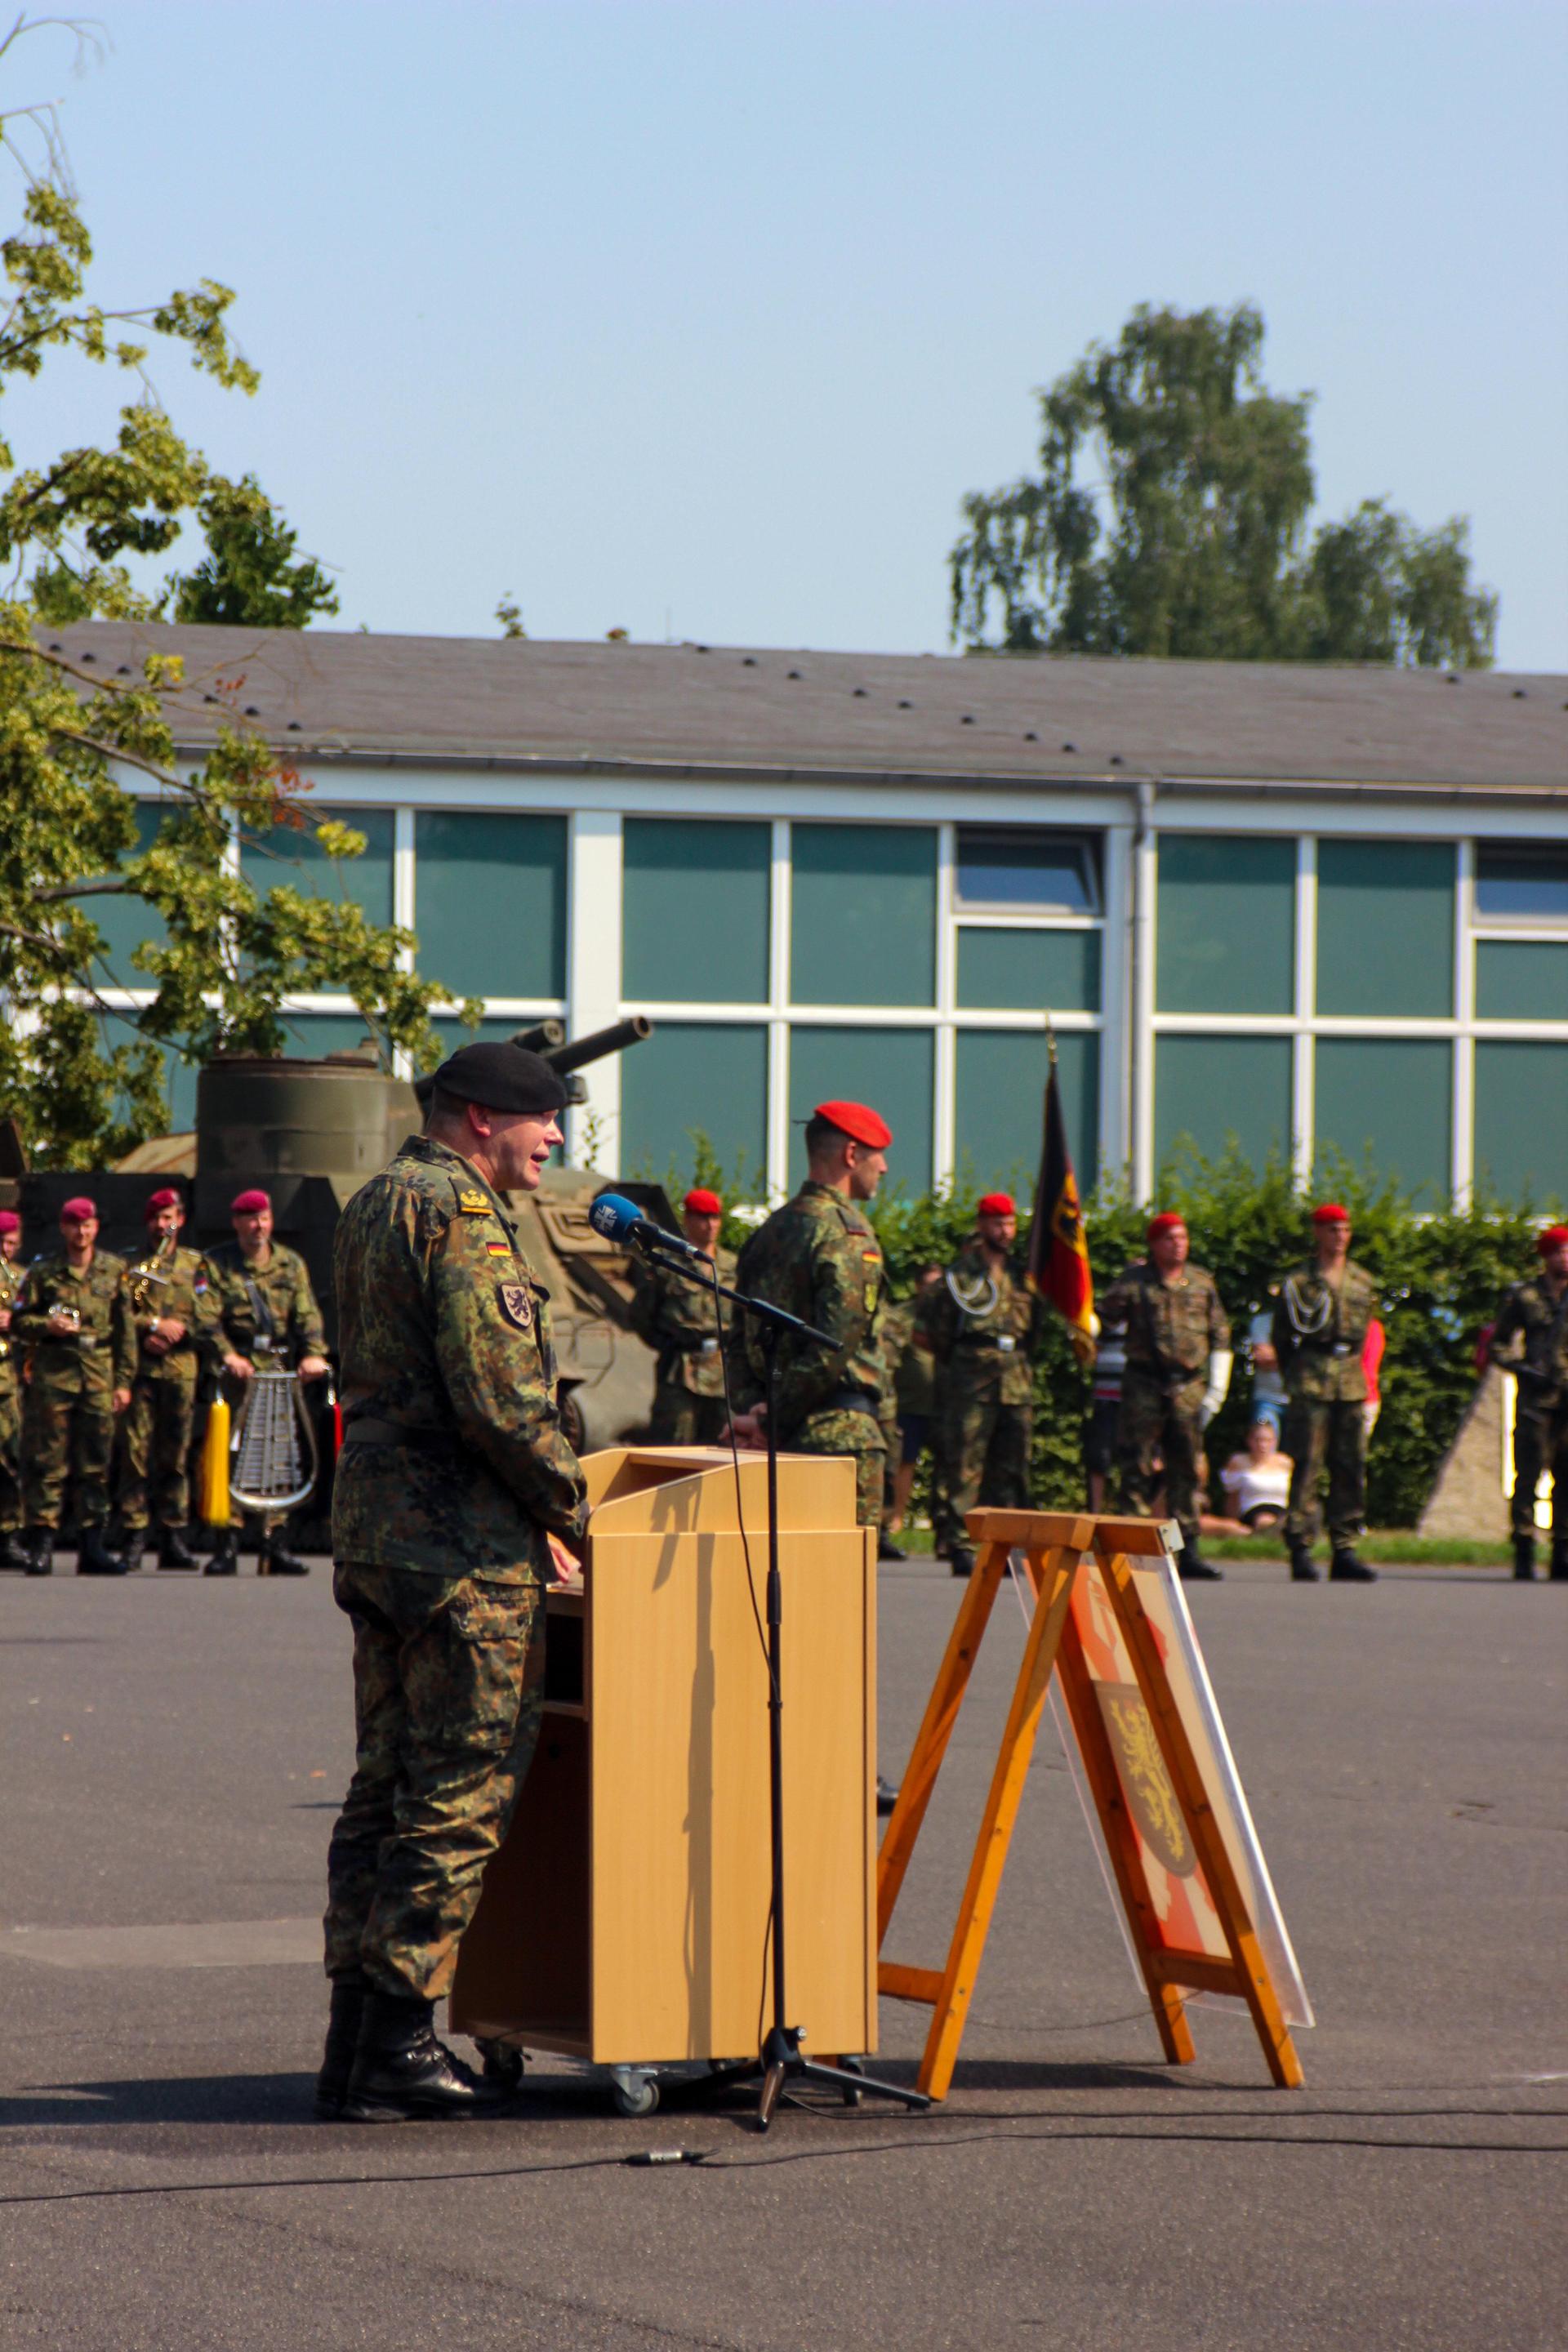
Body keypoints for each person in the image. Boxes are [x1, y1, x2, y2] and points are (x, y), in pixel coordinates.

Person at [320, 1038, 587, 2123]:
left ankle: (353, 2044)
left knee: (384, 1786)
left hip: (379, 1529)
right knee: (456, 1791)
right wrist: (568, 1504)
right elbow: (499, 1392)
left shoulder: (376, 1201)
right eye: (542, 1120)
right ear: (481, 1119)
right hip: (460, 1544)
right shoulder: (463, 1217)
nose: (556, 1139)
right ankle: (396, 2046)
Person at [724, 1098, 900, 1815]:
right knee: (842, 1609)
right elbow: (838, 1340)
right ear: (849, 1156)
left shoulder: (769, 1233)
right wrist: (783, 1410)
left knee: (784, 1605)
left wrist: (753, 1415)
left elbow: (739, 1338)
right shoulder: (846, 1232)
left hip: (779, 1438)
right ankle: (845, 1762)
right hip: (839, 1438)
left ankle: (777, 1751)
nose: (886, 1169)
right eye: (878, 1155)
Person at [204, 1187, 332, 1576]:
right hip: (238, 1372)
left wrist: (313, 1352)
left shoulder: (290, 1264)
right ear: (236, 1223)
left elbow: (307, 1314)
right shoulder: (218, 1264)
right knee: (232, 1455)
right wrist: (227, 1354)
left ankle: (275, 1543)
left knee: (279, 1457)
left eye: (263, 1218)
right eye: (250, 1219)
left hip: (278, 1373)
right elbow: (205, 1317)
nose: (258, 1226)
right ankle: (227, 1543)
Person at [1105, 1214, 1232, 1583]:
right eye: (1169, 1239)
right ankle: (1131, 1548)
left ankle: (1186, 1549)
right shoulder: (1135, 1282)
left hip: (1187, 1386)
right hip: (1144, 1383)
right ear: (1154, 1244)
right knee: (1137, 1467)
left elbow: (1220, 1334)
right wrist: (1120, 1287)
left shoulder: (1202, 1283)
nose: (1178, 1244)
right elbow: (1104, 1318)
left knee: (1186, 1469)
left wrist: (1216, 1389)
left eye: (1182, 1238)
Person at [13, 1197, 135, 1575]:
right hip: (55, 1375)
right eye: (74, 1225)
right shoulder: (45, 1273)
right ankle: (42, 1544)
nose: (81, 1232)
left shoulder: (114, 1271)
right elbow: (19, 1321)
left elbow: (125, 1332)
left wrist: (124, 1381)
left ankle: (92, 1545)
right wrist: (46, 1327)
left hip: (98, 1374)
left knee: (95, 1463)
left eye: (87, 1225)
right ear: (63, 1228)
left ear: (96, 1227)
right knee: (48, 1462)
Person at [926, 1194, 1046, 1579]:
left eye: (1010, 1223)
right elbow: (939, 1333)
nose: (1005, 1231)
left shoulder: (1024, 1276)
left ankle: (1005, 1545)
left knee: (1011, 1466)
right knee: (966, 1462)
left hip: (1016, 1380)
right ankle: (961, 1542)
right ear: (981, 1225)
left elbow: (1037, 1331)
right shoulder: (959, 1276)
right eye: (997, 1223)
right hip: (972, 1380)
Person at [1272, 1204, 1379, 1584]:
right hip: (1312, 1379)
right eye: (1332, 1229)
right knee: (1307, 1466)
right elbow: (1282, 1338)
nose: (1340, 1237)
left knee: (1350, 1466)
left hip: (1349, 1380)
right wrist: (1298, 1376)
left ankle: (1345, 1549)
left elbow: (1365, 1335)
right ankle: (1301, 1547)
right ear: (1317, 1233)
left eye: (1345, 1230)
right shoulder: (1299, 1282)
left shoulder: (1362, 1281)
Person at [114, 1187, 218, 1571]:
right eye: (156, 1218)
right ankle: (134, 1535)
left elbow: (209, 1314)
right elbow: (121, 1314)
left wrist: (181, 1331)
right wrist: (154, 1325)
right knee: (134, 1454)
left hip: (180, 1372)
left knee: (175, 1458)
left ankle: (173, 1535)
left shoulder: (197, 1266)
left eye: (169, 1217)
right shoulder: (129, 1265)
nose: (162, 1225)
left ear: (181, 1219)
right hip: (141, 1369)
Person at [1486, 1224, 1568, 1582]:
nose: (1564, 1257)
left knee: (1567, 1476)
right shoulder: (1525, 1297)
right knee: (1528, 1475)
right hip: (1536, 1399)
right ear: (1545, 1256)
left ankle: (1563, 1550)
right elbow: (1497, 1344)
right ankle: (1523, 1546)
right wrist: (1521, 1368)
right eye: (1558, 1251)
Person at [629, 1187, 736, 1444]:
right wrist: (668, 1344)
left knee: (722, 1449)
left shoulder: (732, 1265)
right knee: (674, 1444)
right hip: (680, 1372)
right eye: (702, 1217)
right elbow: (641, 1315)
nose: (710, 1225)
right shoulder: (668, 1264)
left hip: (723, 1372)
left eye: (715, 1217)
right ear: (687, 1219)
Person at [879, 1263, 944, 1560]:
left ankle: (945, 1525)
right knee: (905, 1461)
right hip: (910, 1404)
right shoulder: (902, 1316)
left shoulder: (950, 1315)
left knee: (949, 1465)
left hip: (946, 1402)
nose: (934, 1291)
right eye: (929, 1284)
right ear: (918, 1286)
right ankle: (896, 1518)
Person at [1212, 1418, 1294, 1534]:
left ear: (1275, 1442)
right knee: (1264, 1520)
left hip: (1280, 1509)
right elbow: (1232, 1497)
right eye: (1258, 1440)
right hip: (1253, 1510)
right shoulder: (1238, 1461)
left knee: (1285, 1520)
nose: (1263, 1445)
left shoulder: (1286, 1462)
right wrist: (1232, 1523)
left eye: (1268, 1440)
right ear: (1249, 1441)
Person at [0, 1208, 26, 1570]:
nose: (4, 1250)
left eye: (10, 1244)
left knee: (10, 1459)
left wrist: (15, 1321)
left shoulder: (25, 1280)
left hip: (9, 1379)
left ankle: (8, 1534)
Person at [1085, 1303, 1127, 1513]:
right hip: (1106, 1398)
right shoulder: (1106, 1313)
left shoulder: (1156, 1312)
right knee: (1098, 1458)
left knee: (1145, 1463)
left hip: (1141, 1401)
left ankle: (1146, 1522)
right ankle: (1094, 1516)